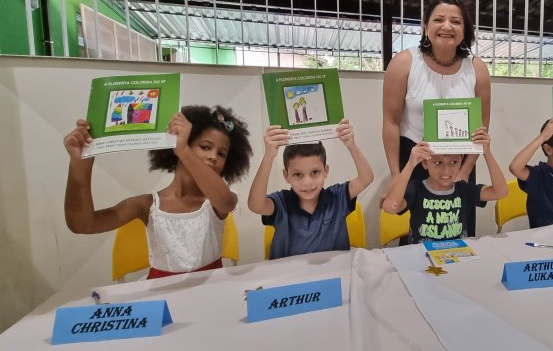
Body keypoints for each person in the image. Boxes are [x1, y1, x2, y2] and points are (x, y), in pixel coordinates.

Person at [63, 105, 252, 279]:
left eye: (222, 154)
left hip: (212, 289)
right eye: (205, 147)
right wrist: (80, 164)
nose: (213, 156)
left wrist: (183, 150)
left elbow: (226, 202)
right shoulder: (146, 205)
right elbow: (82, 225)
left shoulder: (217, 202)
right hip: (162, 292)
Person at [382, 0, 491, 237]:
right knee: (418, 229)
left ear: (465, 29)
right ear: (425, 24)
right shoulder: (404, 62)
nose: (447, 27)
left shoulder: (477, 68)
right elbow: (390, 122)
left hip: (458, 161)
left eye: (456, 21)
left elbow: (482, 126)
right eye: (439, 19)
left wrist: (465, 170)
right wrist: (396, 174)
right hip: (416, 157)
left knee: (457, 226)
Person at [248, 119, 374, 259]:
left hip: (333, 270)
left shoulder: (337, 197)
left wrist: (351, 145)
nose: (307, 182)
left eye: (315, 172)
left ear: (326, 171)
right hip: (291, 272)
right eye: (298, 174)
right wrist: (268, 156)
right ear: (286, 175)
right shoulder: (281, 203)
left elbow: (366, 178)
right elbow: (255, 205)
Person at [382, 127, 507, 244]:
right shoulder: (416, 189)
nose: (446, 170)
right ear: (425, 162)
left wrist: (487, 153)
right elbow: (390, 207)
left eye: (454, 162)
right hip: (422, 255)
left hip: (456, 254)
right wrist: (410, 164)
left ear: (461, 160)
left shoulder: (464, 190)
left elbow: (500, 192)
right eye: (438, 162)